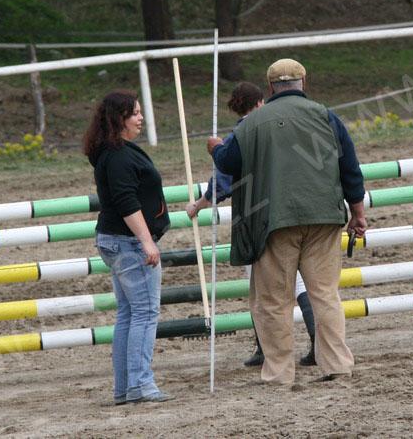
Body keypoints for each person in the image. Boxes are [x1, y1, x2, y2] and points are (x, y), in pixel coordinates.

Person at [208, 58, 367, 385]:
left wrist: (215, 148)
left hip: (273, 222)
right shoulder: (327, 116)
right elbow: (350, 167)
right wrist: (358, 213)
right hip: (323, 217)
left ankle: (279, 372)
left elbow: (228, 162)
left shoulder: (252, 122)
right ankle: (337, 364)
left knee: (273, 302)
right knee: (325, 295)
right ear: (303, 82)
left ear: (270, 87)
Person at [186, 82, 318, 368]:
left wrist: (198, 204)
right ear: (260, 102)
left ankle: (266, 348)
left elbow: (222, 182)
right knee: (300, 280)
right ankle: (316, 338)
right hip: (297, 211)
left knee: (261, 285)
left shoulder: (238, 137)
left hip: (256, 219)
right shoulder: (282, 128)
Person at [83, 90, 173, 404]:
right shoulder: (119, 156)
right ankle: (140, 385)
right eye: (135, 113)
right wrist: (147, 241)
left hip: (115, 240)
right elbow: (126, 202)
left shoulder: (112, 151)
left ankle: (124, 387)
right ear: (119, 118)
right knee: (145, 313)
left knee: (128, 313)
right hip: (128, 242)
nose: (141, 118)